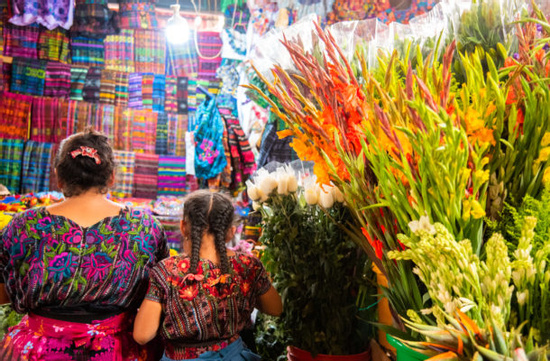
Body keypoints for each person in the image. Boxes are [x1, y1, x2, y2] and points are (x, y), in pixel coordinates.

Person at [0, 130, 169, 360]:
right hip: (118, 351)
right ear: (111, 178)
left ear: (59, 176)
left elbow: (3, 293)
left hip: (39, 351)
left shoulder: (23, 225)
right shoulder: (145, 226)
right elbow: (157, 294)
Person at [133, 190, 282, 360]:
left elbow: (142, 335)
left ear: (183, 227)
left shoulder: (167, 271)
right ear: (231, 231)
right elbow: (275, 308)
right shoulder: (248, 266)